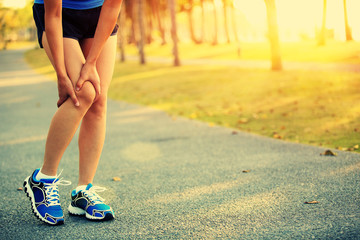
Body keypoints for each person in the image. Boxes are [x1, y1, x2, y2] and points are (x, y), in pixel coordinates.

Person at [23, 0, 123, 225]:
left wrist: (91, 63)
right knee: (84, 93)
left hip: (99, 14)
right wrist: (61, 74)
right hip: (60, 17)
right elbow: (54, 14)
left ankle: (83, 191)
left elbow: (112, 6)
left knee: (98, 98)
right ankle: (44, 178)